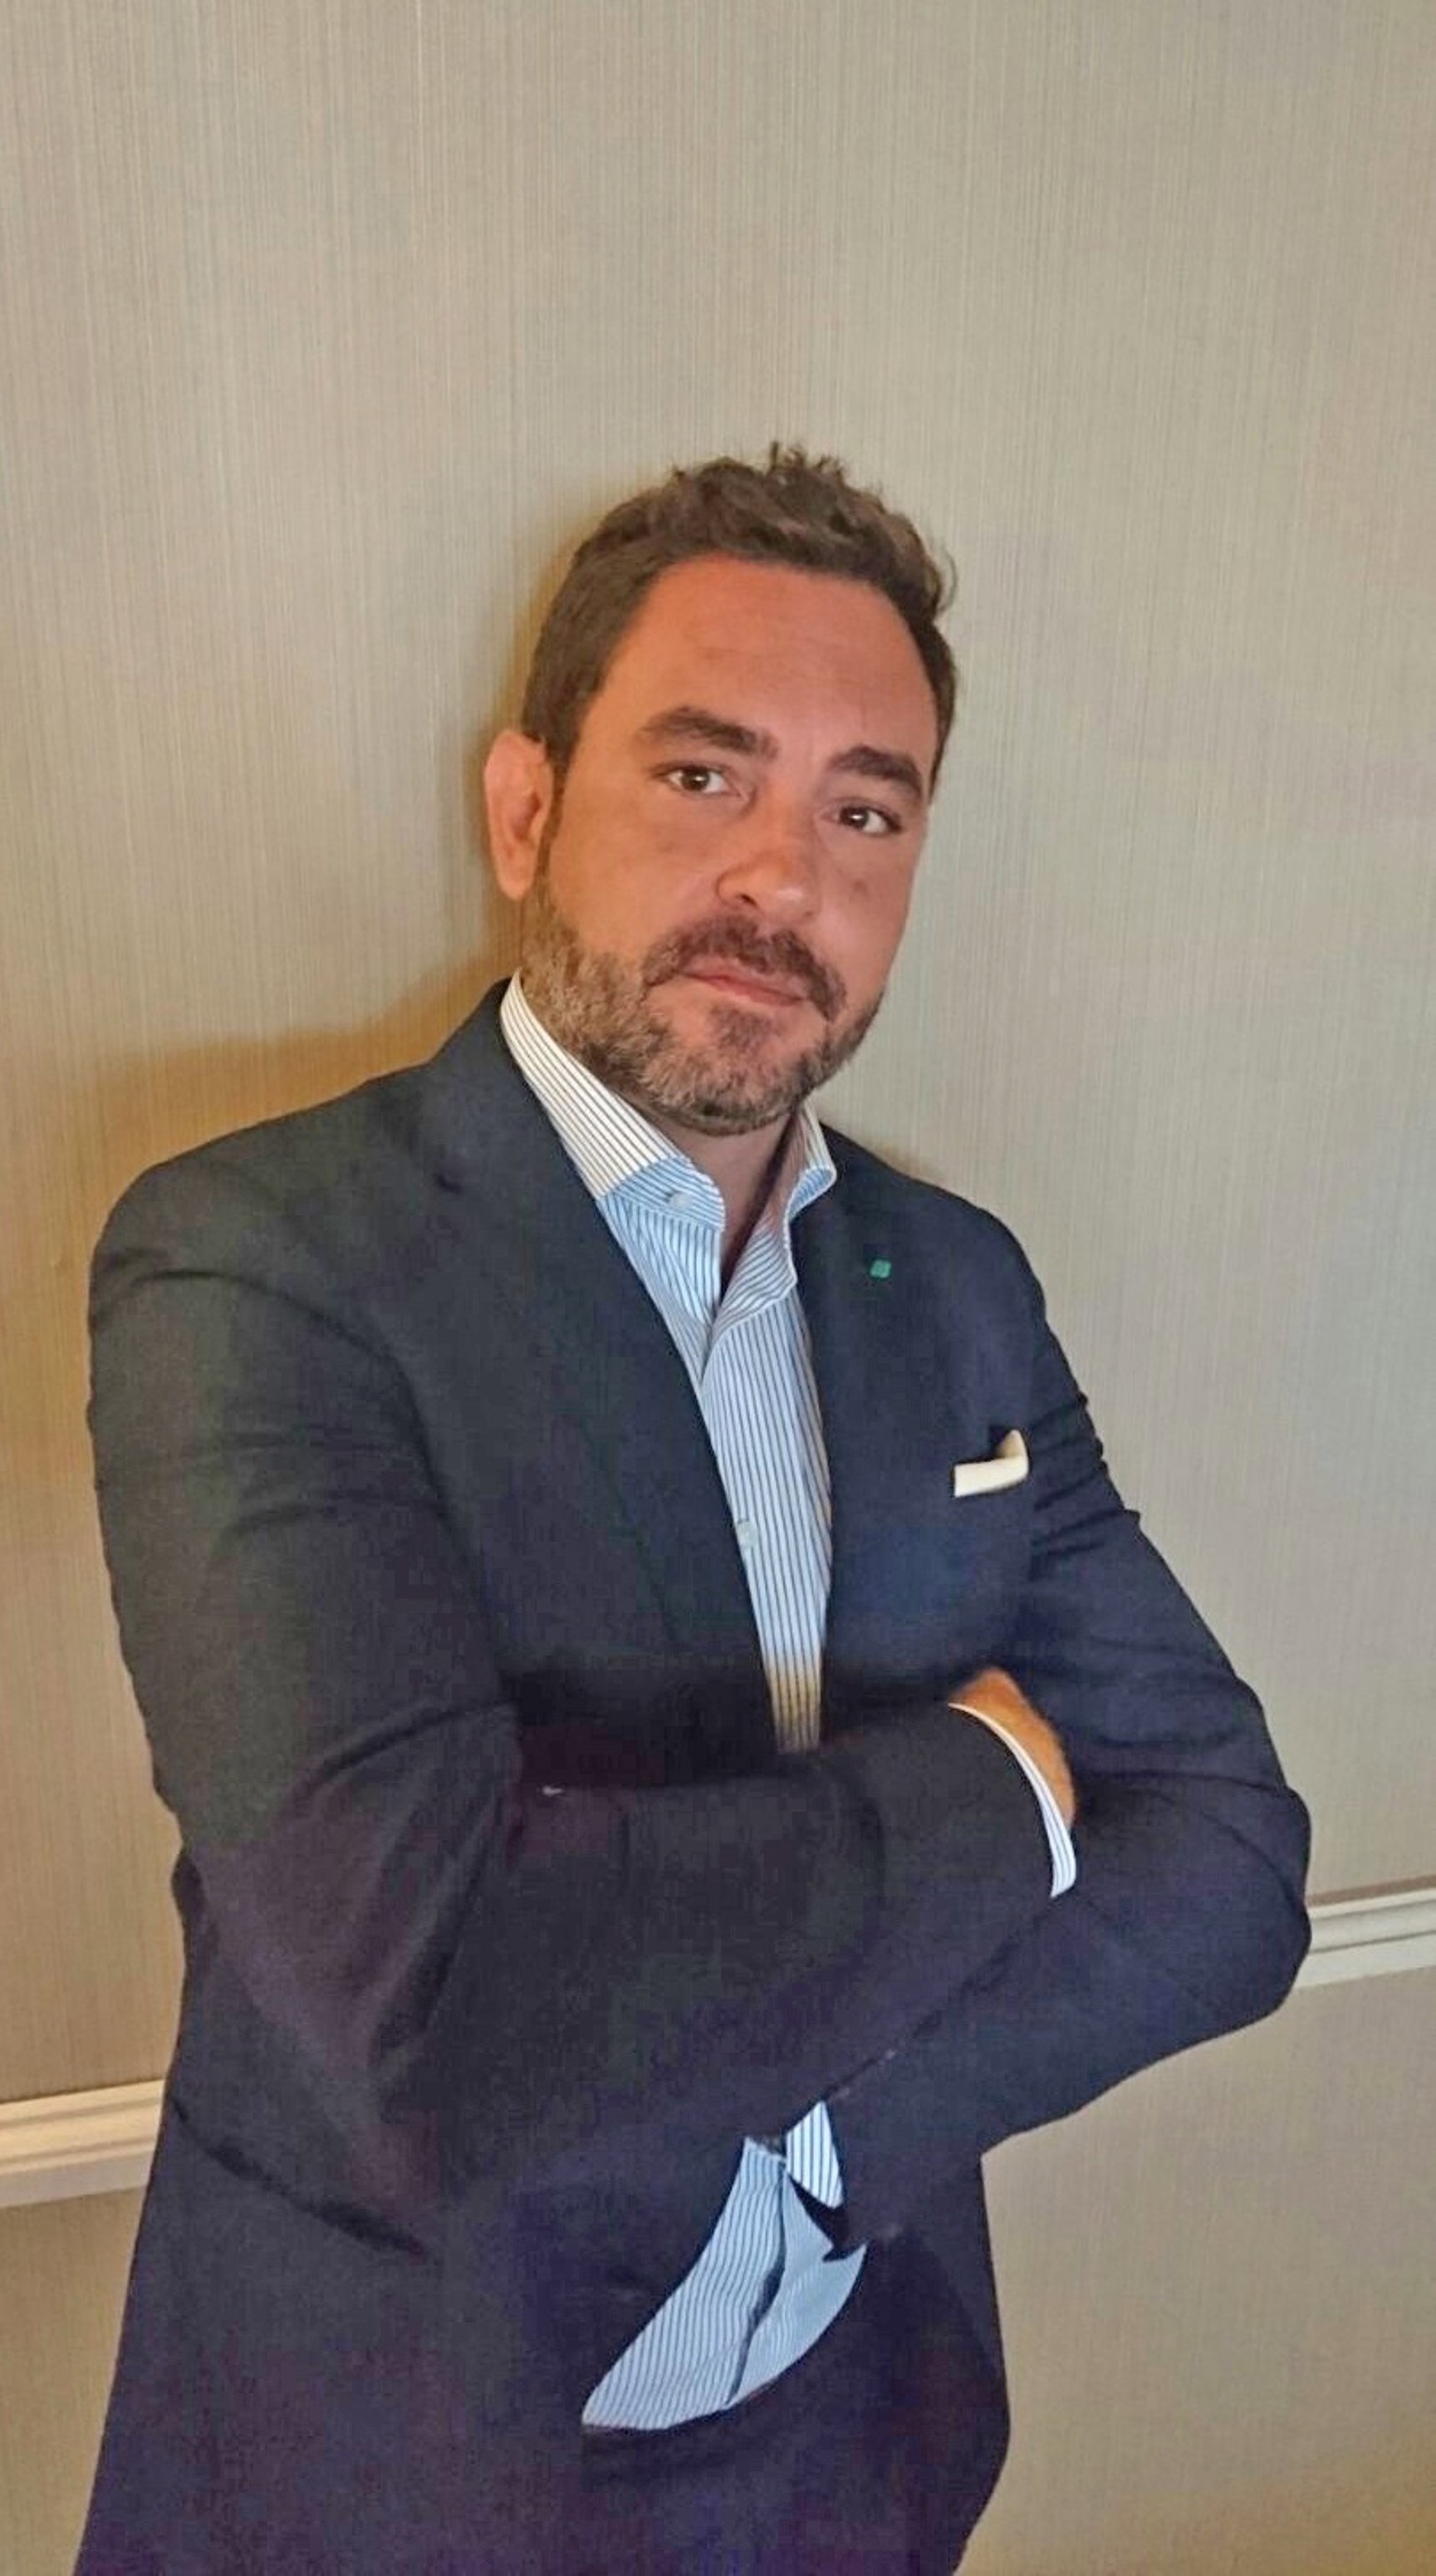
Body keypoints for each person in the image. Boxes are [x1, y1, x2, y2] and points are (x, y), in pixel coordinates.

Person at [76, 445, 1311, 2574]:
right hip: (395, 2458)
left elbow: (1229, 1852)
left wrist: (838, 2142)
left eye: (865, 812)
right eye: (701, 773)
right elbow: (437, 2015)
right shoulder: (259, 1265)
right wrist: (998, 1788)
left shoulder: (959, 1284)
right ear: (525, 812)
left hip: (848, 2437)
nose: (780, 877)